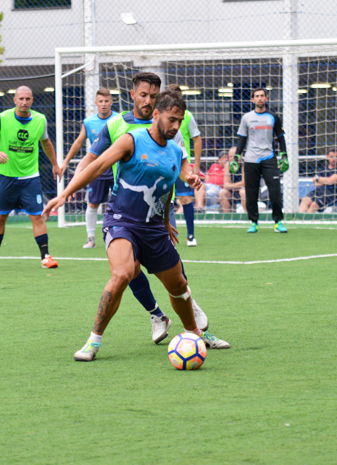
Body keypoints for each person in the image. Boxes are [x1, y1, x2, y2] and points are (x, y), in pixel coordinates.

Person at [43, 90, 230, 361]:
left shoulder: (176, 152)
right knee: (122, 273)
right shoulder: (131, 140)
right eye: (171, 119)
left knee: (178, 285)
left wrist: (165, 220)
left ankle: (195, 334)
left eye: (180, 121)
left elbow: (164, 190)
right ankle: (93, 341)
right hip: (122, 221)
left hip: (153, 228)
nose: (176, 126)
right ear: (156, 114)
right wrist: (63, 194)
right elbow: (96, 167)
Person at [74, 72, 209, 344]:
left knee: (174, 275)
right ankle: (156, 314)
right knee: (128, 269)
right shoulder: (116, 126)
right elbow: (92, 159)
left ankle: (185, 305)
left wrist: (185, 184)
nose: (148, 100)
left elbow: (176, 168)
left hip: (158, 211)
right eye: (144, 94)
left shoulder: (170, 125)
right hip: (125, 210)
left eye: (153, 96)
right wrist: (69, 189)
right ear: (133, 95)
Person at [0, 85, 61, 269]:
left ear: (32, 100)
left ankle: (45, 257)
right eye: (21, 99)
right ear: (15, 100)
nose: (24, 102)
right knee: (0, 216)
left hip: (30, 178)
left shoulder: (40, 120)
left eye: (28, 99)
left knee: (37, 217)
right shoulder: (2, 118)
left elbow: (46, 143)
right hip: (6, 177)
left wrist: (55, 164)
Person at [59, 88, 117, 249]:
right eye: (101, 101)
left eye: (107, 101)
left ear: (111, 102)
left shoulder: (119, 119)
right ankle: (90, 238)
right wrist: (65, 162)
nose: (104, 104)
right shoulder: (89, 122)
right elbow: (78, 142)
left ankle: (121, 235)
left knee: (121, 204)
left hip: (117, 167)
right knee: (93, 204)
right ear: (96, 103)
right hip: (97, 169)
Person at [230, 87, 288, 233]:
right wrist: (237, 157)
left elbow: (281, 138)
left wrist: (284, 156)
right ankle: (254, 222)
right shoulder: (246, 118)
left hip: (269, 158)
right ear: (252, 99)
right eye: (257, 96)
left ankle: (278, 222)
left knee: (275, 191)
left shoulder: (273, 117)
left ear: (266, 99)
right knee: (251, 193)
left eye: (262, 96)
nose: (260, 98)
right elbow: (242, 139)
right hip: (251, 159)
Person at [167, 84, 202, 247]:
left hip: (182, 165)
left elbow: (197, 140)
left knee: (186, 199)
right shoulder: (161, 118)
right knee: (165, 201)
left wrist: (195, 167)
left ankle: (190, 235)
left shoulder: (187, 116)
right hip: (163, 166)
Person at [299, 148, 337, 213]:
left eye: (336, 157)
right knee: (305, 200)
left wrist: (319, 179)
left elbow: (330, 181)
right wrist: (324, 181)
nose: (334, 159)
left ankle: (307, 221)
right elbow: (316, 183)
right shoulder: (323, 169)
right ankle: (301, 220)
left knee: (313, 205)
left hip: (330, 195)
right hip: (318, 191)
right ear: (327, 157)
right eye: (331, 157)